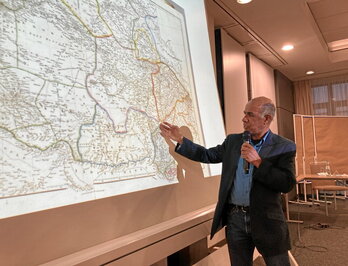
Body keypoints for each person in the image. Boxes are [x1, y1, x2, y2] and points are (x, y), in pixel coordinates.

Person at [159, 96, 296, 266]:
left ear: (266, 119)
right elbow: (207, 155)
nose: (244, 118)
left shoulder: (284, 146)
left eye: (250, 115)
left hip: (266, 220)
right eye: (244, 113)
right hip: (235, 219)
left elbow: (287, 183)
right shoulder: (233, 141)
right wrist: (180, 139)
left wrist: (258, 163)